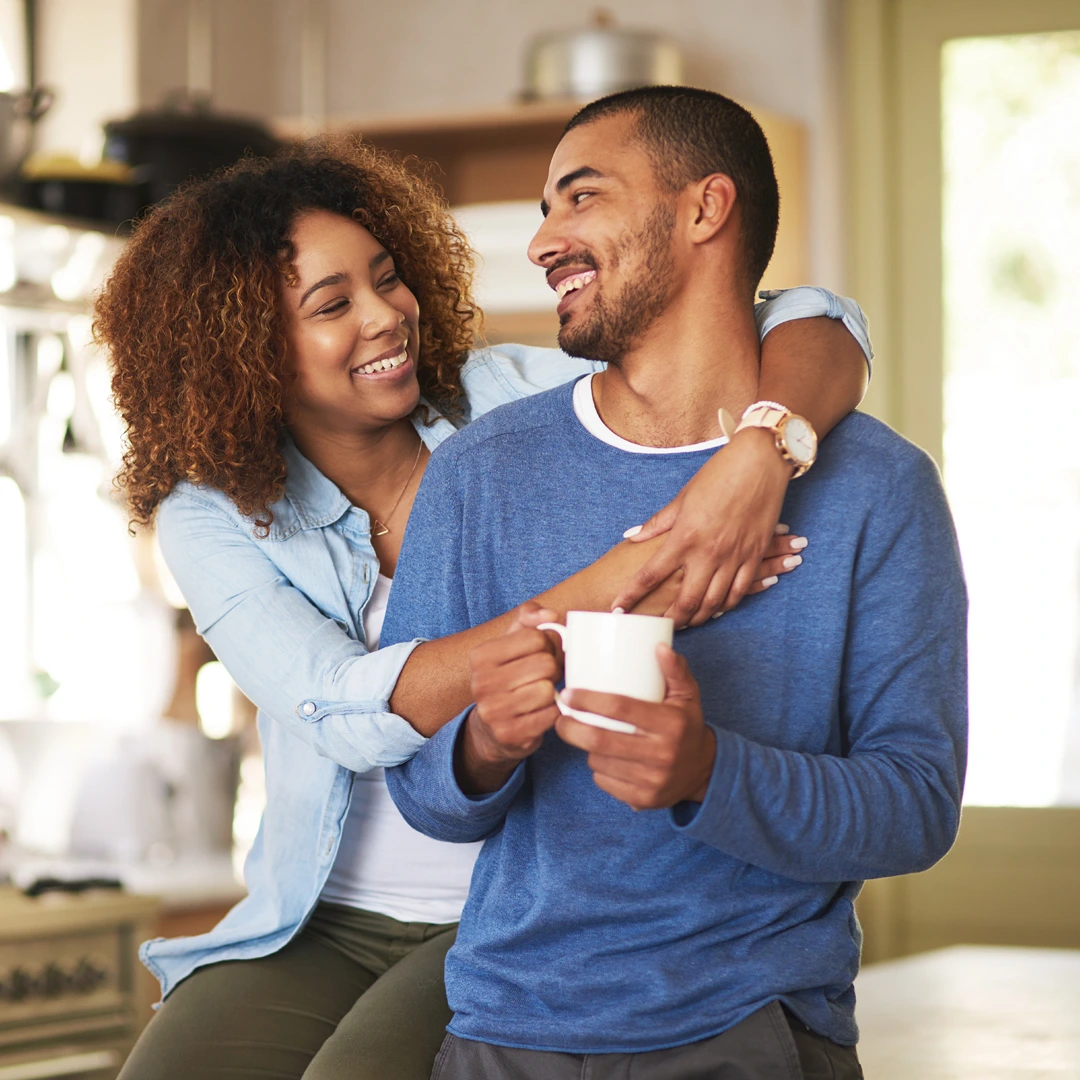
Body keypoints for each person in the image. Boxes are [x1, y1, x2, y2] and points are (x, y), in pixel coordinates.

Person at [97, 138, 871, 1080]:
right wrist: (652, 564)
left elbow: (813, 320)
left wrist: (758, 454)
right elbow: (338, 703)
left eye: (388, 280)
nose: (388, 317)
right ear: (241, 351)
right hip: (316, 915)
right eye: (333, 305)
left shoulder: (512, 398)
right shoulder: (210, 511)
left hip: (503, 910)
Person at [383, 87, 967, 1080]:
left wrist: (707, 770)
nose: (543, 242)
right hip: (501, 1033)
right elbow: (426, 796)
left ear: (705, 209)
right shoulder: (478, 474)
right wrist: (484, 740)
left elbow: (915, 807)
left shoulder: (880, 487)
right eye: (542, 211)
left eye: (581, 198)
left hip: (753, 1031)